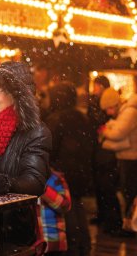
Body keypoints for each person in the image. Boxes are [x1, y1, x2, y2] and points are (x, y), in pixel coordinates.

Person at [0, 66, 52, 246]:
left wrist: (9, 183)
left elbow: (35, 181)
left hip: (12, 228)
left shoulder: (35, 132)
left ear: (17, 95)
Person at [44, 81, 93, 256]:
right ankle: (83, 245)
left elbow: (50, 147)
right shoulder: (82, 117)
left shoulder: (55, 119)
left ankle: (73, 245)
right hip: (81, 170)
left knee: (68, 210)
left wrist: (52, 166)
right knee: (77, 205)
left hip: (62, 171)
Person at [99, 86, 137, 237]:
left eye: (108, 108)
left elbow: (118, 133)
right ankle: (129, 223)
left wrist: (104, 132)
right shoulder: (125, 112)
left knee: (130, 192)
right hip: (127, 157)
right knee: (128, 191)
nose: (108, 113)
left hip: (131, 159)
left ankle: (130, 225)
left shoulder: (129, 112)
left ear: (115, 104)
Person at [87, 77, 123, 235]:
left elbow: (115, 133)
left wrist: (103, 132)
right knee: (103, 187)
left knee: (107, 188)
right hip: (103, 152)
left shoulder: (103, 105)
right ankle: (108, 220)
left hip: (106, 153)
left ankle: (113, 222)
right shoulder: (100, 104)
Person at [39, 169, 71, 256]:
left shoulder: (55, 178)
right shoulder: (22, 177)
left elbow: (65, 206)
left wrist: (43, 188)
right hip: (32, 244)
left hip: (53, 242)